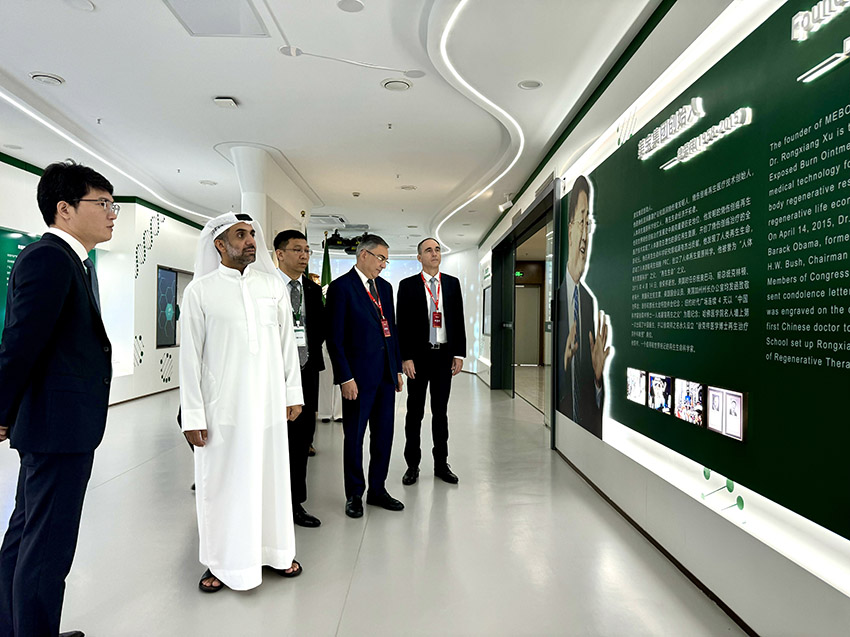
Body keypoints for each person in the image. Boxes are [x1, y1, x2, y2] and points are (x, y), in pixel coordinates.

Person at [0, 160, 117, 637]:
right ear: (64, 209)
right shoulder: (50, 258)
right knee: (47, 547)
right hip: (57, 428)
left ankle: (15, 628)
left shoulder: (71, 261)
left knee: (27, 533)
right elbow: (20, 341)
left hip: (57, 425)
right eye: (102, 203)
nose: (112, 213)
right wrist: (2, 410)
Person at [180, 212, 304, 593]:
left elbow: (287, 345)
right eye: (240, 235)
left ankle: (277, 552)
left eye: (251, 234)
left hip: (268, 406)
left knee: (271, 480)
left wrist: (292, 393)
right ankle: (223, 562)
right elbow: (190, 358)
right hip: (223, 410)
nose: (251, 240)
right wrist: (193, 415)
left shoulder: (272, 287)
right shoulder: (200, 291)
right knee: (224, 485)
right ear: (219, 244)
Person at [325, 234, 404, 518]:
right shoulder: (341, 288)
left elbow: (391, 329)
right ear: (364, 255)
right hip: (357, 380)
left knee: (383, 436)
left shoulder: (385, 288)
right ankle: (355, 494)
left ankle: (378, 490)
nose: (383, 264)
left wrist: (396, 368)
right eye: (381, 258)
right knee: (354, 438)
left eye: (386, 260)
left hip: (385, 377)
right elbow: (335, 339)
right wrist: (345, 378)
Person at [396, 238, 466, 486]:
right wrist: (405, 357)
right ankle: (412, 465)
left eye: (437, 249)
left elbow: (458, 318)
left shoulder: (452, 283)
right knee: (414, 413)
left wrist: (459, 353)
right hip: (418, 358)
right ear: (419, 258)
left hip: (443, 356)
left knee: (440, 413)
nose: (434, 253)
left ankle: (441, 464)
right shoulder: (408, 285)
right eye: (428, 250)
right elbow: (402, 323)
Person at [274, 229, 324, 528]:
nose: (304, 255)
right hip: (273, 376)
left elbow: (319, 331)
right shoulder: (265, 287)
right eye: (297, 250)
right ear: (280, 254)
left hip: (306, 373)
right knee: (273, 439)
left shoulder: (313, 290)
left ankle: (295, 503)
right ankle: (270, 503)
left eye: (307, 250)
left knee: (301, 439)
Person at [557, 175, 611, 439]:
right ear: (570, 230)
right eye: (582, 221)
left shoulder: (588, 302)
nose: (586, 235)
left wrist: (598, 378)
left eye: (589, 223)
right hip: (561, 427)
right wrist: (563, 363)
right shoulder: (557, 296)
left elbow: (592, 397)